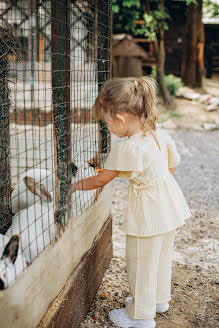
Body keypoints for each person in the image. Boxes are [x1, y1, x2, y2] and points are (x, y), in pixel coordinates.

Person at [72, 76, 192, 328]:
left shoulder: (128, 148)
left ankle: (140, 316)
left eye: (107, 123)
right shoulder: (158, 133)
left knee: (140, 262)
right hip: (171, 206)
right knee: (159, 257)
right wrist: (155, 182)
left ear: (120, 118)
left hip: (149, 213)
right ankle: (157, 301)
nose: (108, 129)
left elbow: (102, 179)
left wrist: (73, 186)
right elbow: (174, 162)